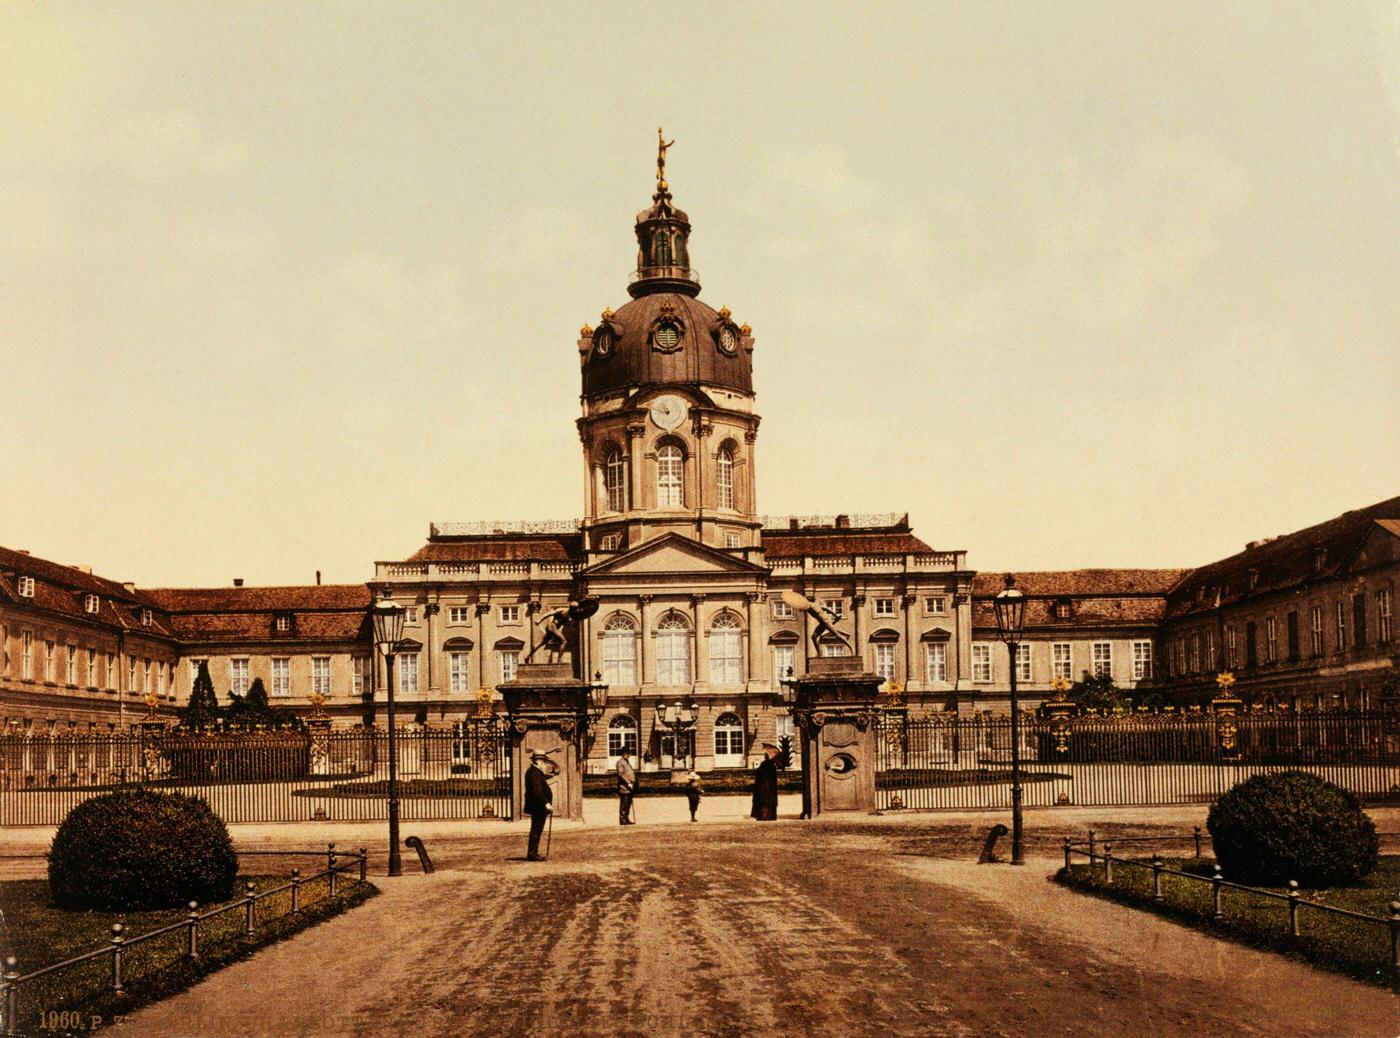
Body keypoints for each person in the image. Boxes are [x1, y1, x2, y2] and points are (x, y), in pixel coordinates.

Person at [524, 753, 553, 860]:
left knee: (536, 829)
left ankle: (533, 853)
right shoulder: (535, 773)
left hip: (537, 806)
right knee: (536, 830)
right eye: (544, 761)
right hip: (538, 806)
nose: (545, 764)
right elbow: (538, 792)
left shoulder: (535, 772)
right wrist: (547, 804)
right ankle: (532, 854)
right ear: (538, 761)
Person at [751, 742, 780, 821]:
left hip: (764, 786)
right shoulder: (772, 765)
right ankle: (770, 816)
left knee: (764, 802)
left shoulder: (765, 764)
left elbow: (761, 774)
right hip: (770, 787)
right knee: (769, 802)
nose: (764, 755)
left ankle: (764, 816)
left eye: (766, 754)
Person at [616, 749, 636, 825]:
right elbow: (621, 775)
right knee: (624, 804)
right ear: (624, 754)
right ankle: (622, 819)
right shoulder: (620, 763)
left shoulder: (626, 762)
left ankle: (626, 818)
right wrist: (628, 783)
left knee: (628, 804)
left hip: (630, 787)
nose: (629, 756)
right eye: (628, 754)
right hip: (624, 787)